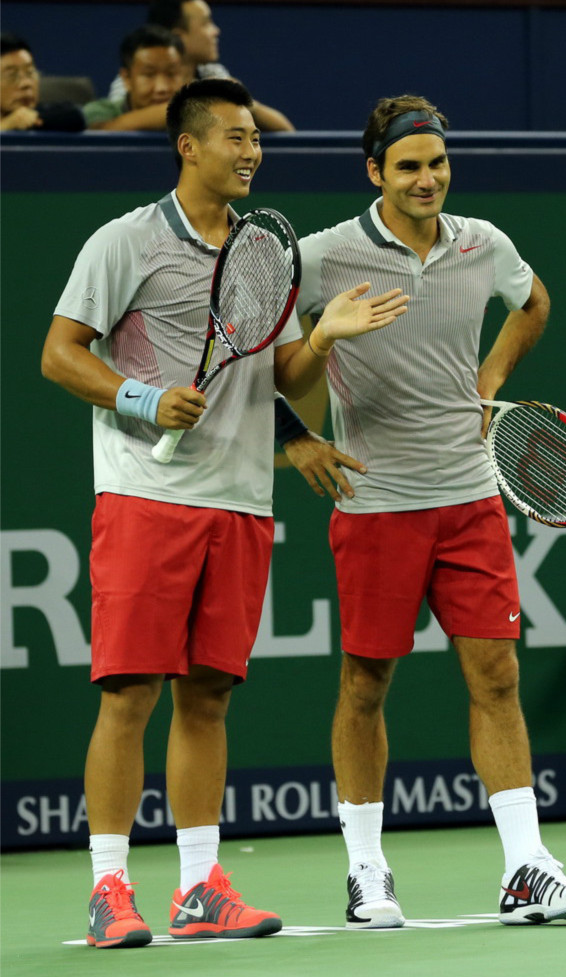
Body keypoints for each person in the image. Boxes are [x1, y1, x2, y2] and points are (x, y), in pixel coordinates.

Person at [40, 77, 408, 950]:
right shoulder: (123, 241)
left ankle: (201, 884)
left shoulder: (263, 255)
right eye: (236, 137)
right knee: (129, 695)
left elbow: (279, 376)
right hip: (146, 495)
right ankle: (108, 887)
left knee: (208, 697)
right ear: (188, 145)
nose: (251, 151)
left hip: (240, 499)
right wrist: (139, 397)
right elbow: (59, 355)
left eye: (256, 138)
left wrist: (322, 339)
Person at [296, 94, 566, 929]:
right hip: (376, 502)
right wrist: (301, 422)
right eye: (408, 166)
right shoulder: (324, 256)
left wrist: (491, 379)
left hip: (469, 496)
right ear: (375, 173)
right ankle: (367, 870)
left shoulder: (482, 243)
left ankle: (526, 868)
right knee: (366, 683)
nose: (427, 178)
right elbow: (271, 359)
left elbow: (533, 301)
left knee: (496, 675)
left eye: (436, 163)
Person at [107, 0, 294, 132]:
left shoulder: (212, 72)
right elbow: (115, 130)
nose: (215, 31)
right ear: (179, 36)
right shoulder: (128, 81)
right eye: (206, 23)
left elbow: (286, 130)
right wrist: (204, 99)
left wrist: (243, 101)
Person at [82, 25, 185, 131]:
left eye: (171, 74)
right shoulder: (100, 111)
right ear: (126, 78)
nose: (162, 88)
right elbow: (100, 133)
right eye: (149, 74)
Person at [0, 32, 85, 131]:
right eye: (12, 75)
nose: (26, 83)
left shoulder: (37, 114)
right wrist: (4, 126)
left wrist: (28, 120)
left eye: (30, 72)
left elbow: (76, 115)